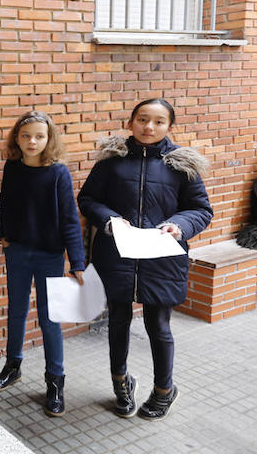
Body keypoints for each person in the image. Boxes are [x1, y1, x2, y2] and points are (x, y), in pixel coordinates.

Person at [78, 98, 212, 421]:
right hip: (117, 257)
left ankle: (164, 390)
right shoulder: (111, 161)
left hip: (161, 260)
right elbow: (87, 198)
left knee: (158, 326)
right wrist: (109, 219)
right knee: (118, 324)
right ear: (131, 122)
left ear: (169, 126)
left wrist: (179, 225)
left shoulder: (182, 165)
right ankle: (121, 384)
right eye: (142, 119)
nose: (149, 127)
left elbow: (202, 210)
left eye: (158, 121)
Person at [0, 111, 85, 417]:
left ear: (49, 139)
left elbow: (70, 219)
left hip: (49, 256)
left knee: (49, 319)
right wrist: (4, 233)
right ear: (17, 137)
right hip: (16, 252)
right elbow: (5, 202)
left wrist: (77, 261)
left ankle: (55, 381)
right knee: (16, 312)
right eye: (26, 135)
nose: (32, 142)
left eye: (39, 136)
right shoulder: (12, 167)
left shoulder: (58, 173)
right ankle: (12, 366)